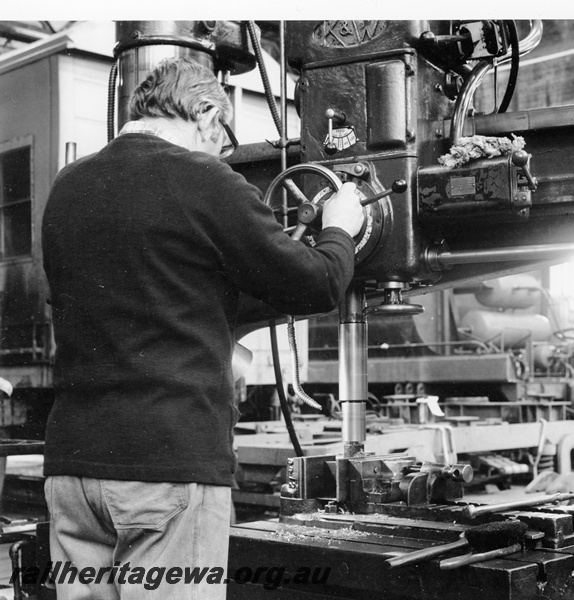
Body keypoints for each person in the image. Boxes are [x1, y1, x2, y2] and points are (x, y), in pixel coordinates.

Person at [41, 57, 364, 600]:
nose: (223, 152)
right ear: (206, 111)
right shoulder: (202, 178)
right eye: (223, 140)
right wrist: (340, 230)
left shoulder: (68, 186)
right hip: (166, 467)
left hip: (72, 470)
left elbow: (154, 295)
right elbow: (316, 285)